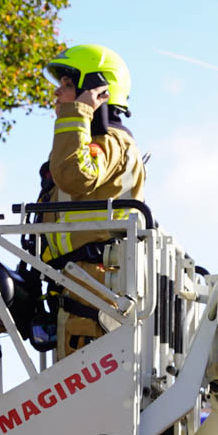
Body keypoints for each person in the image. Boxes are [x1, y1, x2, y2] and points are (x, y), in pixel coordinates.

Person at [39, 43, 146, 357]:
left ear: (96, 91)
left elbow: (75, 175)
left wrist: (78, 112)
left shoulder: (111, 142)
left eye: (68, 85)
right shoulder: (94, 142)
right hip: (81, 283)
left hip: (95, 286)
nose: (58, 94)